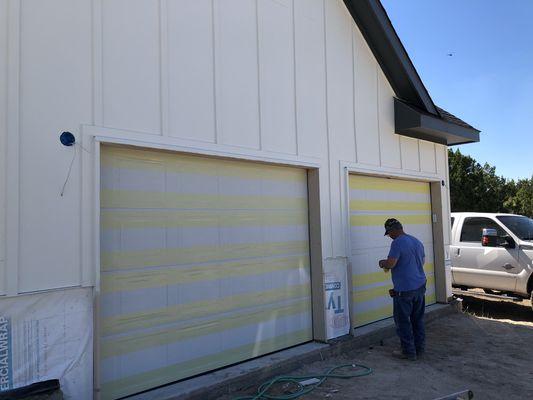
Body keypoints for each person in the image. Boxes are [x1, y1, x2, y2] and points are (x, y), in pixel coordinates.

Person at [378, 218, 426, 361]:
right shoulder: (416, 241)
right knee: (417, 320)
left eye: (389, 233)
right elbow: (421, 262)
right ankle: (419, 349)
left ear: (393, 230)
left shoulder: (397, 243)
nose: (389, 237)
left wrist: (382, 263)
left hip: (405, 291)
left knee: (403, 322)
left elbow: (391, 264)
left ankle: (408, 352)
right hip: (419, 287)